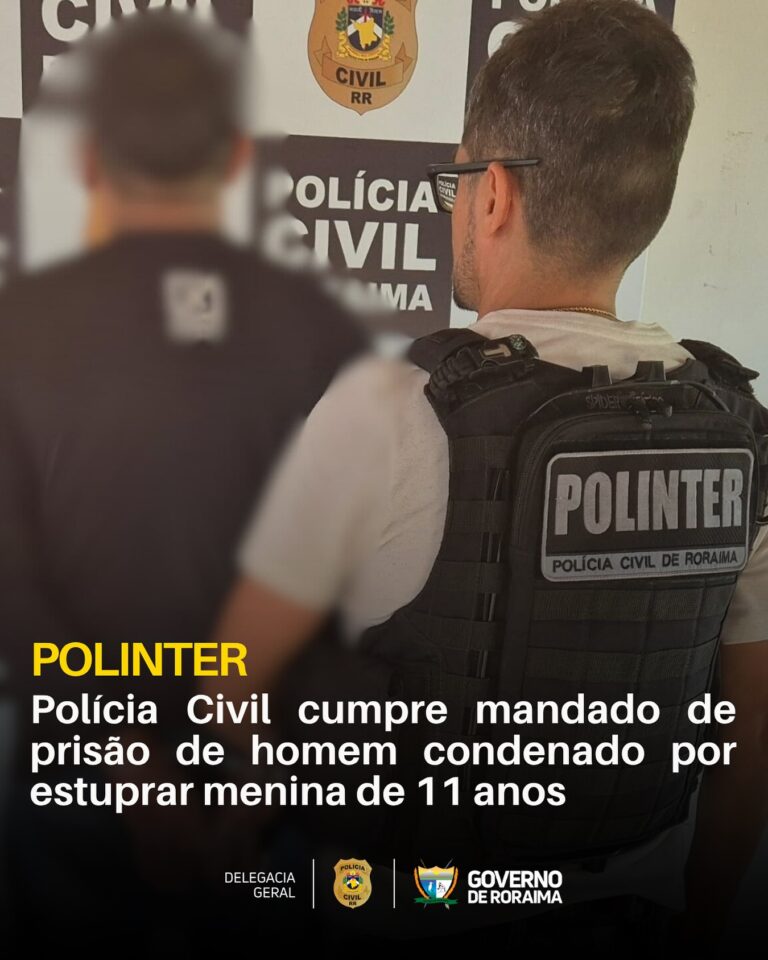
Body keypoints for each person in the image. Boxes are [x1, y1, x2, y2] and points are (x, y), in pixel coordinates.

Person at [207, 0, 768, 949]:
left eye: (457, 182)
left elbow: (233, 696)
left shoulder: (393, 407)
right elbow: (749, 741)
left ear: (495, 194)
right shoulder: (739, 427)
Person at [0, 11, 365, 950]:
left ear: (89, 161)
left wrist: (130, 767)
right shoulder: (320, 331)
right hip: (258, 783)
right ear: (239, 158)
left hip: (76, 778)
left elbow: (14, 588)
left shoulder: (19, 328)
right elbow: (353, 587)